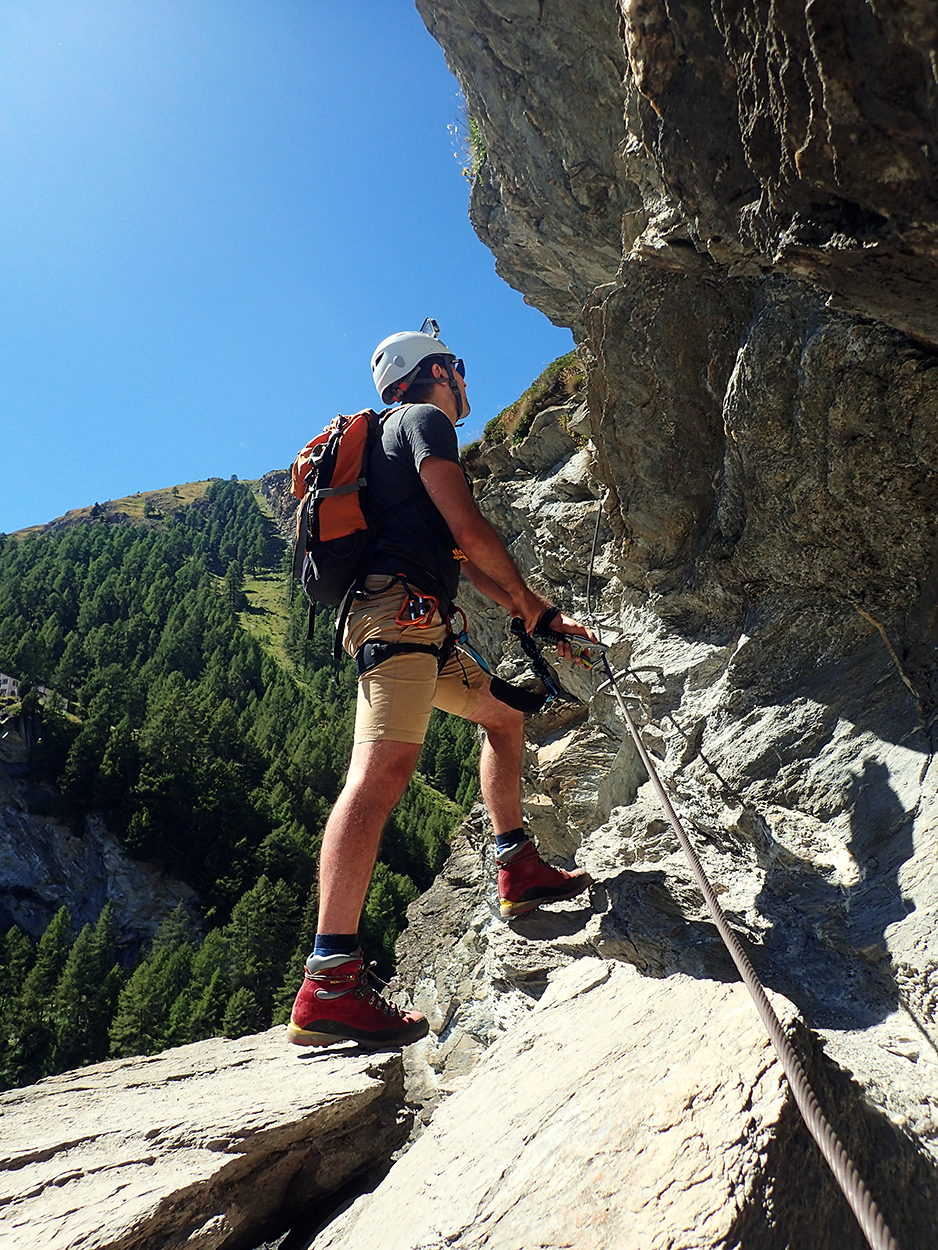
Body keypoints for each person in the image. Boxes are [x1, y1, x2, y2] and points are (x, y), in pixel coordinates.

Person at [287, 327, 596, 1050]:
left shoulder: (391, 448)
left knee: (504, 716)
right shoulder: (421, 422)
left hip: (413, 620)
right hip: (402, 616)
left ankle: (516, 867)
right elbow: (472, 526)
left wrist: (531, 611)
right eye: (455, 366)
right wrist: (533, 604)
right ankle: (328, 981)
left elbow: (468, 558)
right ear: (430, 372)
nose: (462, 379)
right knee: (380, 774)